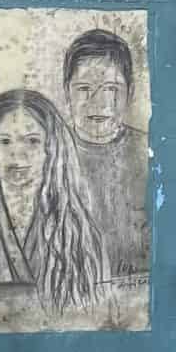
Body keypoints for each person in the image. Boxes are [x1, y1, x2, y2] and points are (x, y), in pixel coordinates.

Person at [0, 88, 109, 314]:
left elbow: (99, 313)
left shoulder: (81, 232)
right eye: (5, 141)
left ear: (50, 149)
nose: (17, 154)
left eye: (32, 141)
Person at [61, 28, 149, 275]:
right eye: (84, 88)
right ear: (66, 92)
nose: (97, 102)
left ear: (129, 93)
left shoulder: (149, 152)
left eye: (111, 89)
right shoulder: (49, 153)